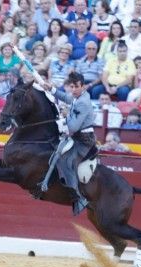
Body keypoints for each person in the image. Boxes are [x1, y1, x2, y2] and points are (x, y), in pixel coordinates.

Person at [42, 72, 96, 216]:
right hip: (78, 136)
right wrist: (51, 89)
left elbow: (72, 127)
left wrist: (63, 119)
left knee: (66, 160)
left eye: (76, 87)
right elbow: (67, 98)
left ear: (83, 86)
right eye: (71, 87)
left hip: (84, 139)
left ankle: (78, 197)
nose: (73, 90)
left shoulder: (83, 102)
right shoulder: (79, 97)